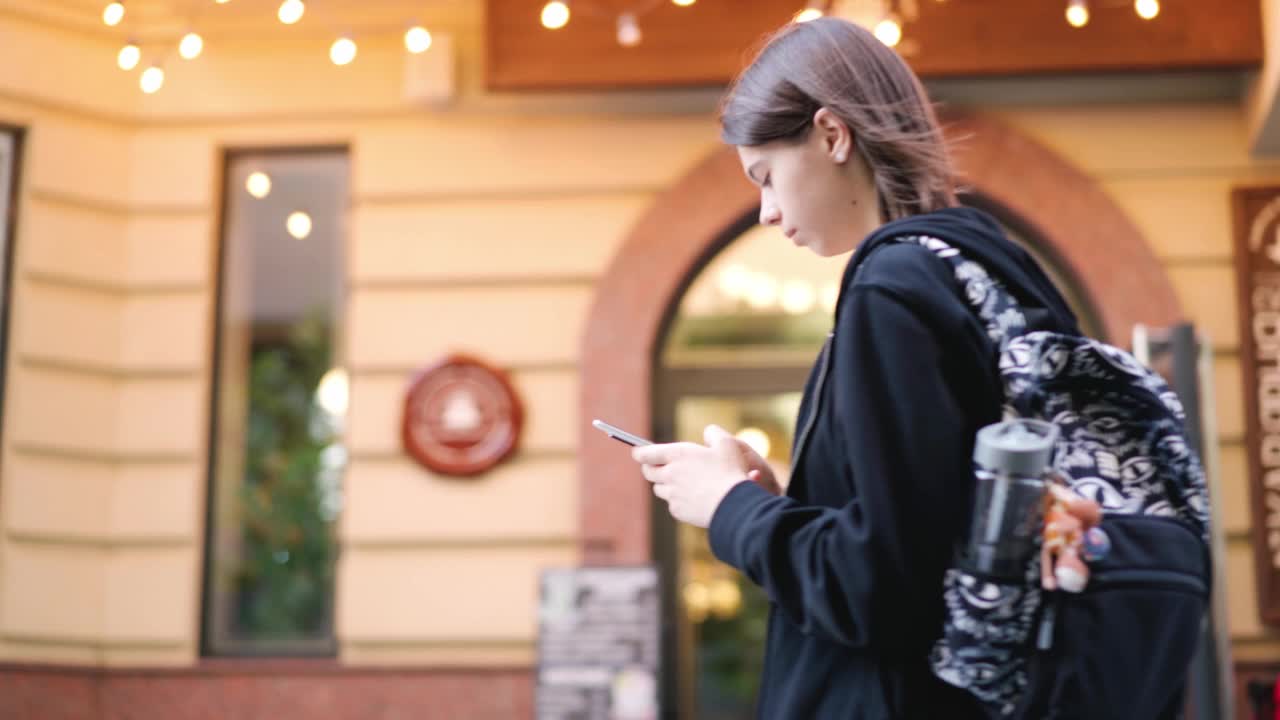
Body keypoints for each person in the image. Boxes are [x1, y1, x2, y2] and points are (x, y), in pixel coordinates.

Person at [628, 17, 1091, 719]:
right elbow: (932, 529)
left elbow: (878, 591)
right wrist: (787, 496)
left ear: (832, 134)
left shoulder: (892, 289)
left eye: (768, 176)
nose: (766, 212)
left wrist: (729, 509)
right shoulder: (981, 269)